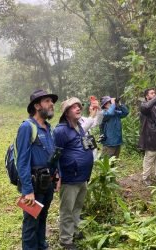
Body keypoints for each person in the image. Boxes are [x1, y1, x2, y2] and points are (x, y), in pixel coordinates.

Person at [16, 89, 58, 250]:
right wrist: (27, 190)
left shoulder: (48, 127)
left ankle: (42, 245)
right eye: (47, 101)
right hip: (33, 185)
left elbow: (53, 154)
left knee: (42, 217)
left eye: (51, 101)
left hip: (47, 183)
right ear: (37, 105)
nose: (51, 104)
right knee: (30, 223)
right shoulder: (27, 127)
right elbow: (22, 161)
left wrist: (57, 176)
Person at [53, 97, 94, 250]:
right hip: (70, 178)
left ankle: (74, 231)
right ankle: (65, 240)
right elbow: (55, 155)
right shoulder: (61, 130)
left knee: (77, 207)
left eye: (79, 106)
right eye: (73, 107)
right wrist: (57, 174)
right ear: (66, 112)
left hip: (82, 176)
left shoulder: (79, 126)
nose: (78, 108)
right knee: (67, 210)